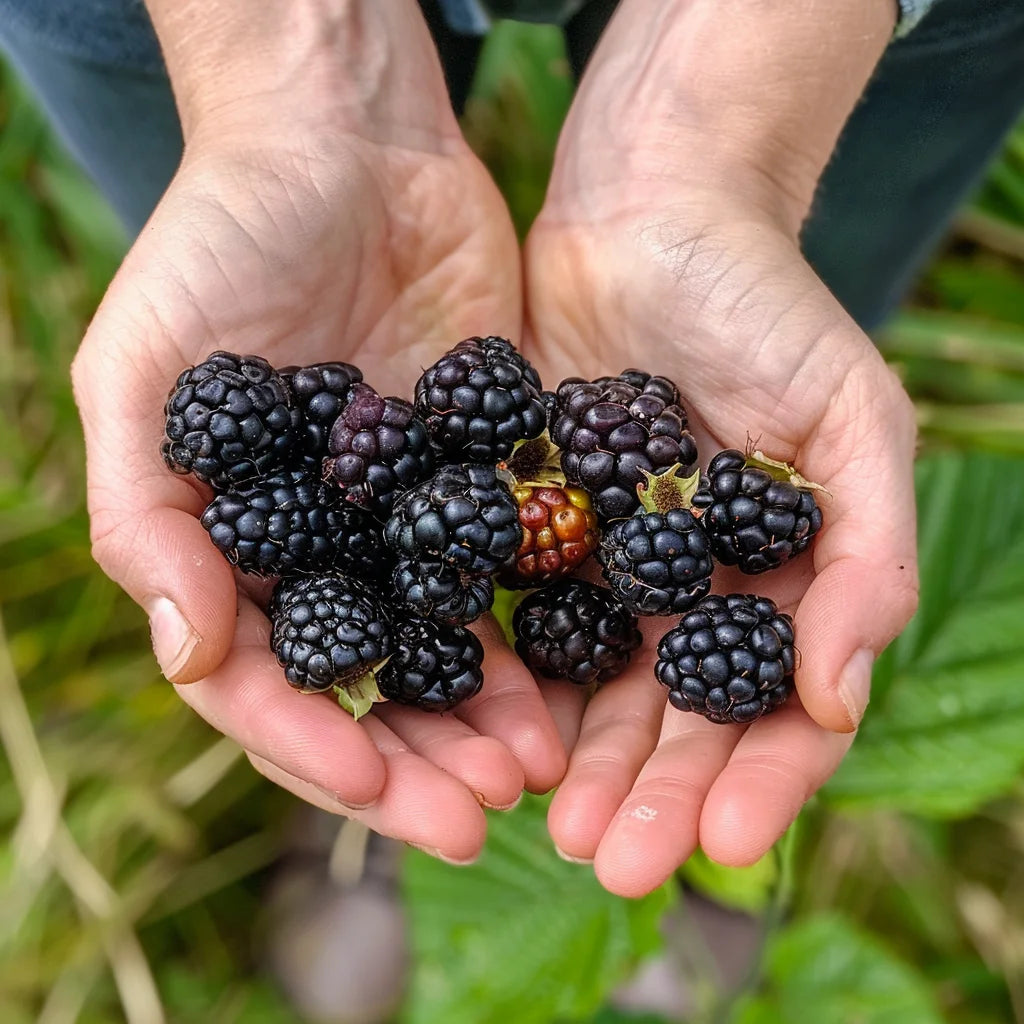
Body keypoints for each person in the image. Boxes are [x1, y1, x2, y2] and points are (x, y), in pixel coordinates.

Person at [3, 0, 1023, 902]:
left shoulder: (563, 493)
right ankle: (375, 771)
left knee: (814, 251)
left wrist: (727, 134)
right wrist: (281, 79)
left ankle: (677, 868)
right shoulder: (422, 495)